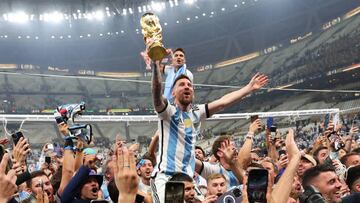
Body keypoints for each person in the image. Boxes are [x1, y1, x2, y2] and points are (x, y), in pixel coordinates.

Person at [150, 55, 268, 202]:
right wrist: (155, 65)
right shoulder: (169, 112)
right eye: (181, 84)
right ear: (173, 93)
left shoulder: (195, 112)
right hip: (166, 177)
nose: (187, 86)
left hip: (188, 180)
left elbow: (222, 103)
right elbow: (156, 94)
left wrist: (248, 88)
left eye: (189, 85)